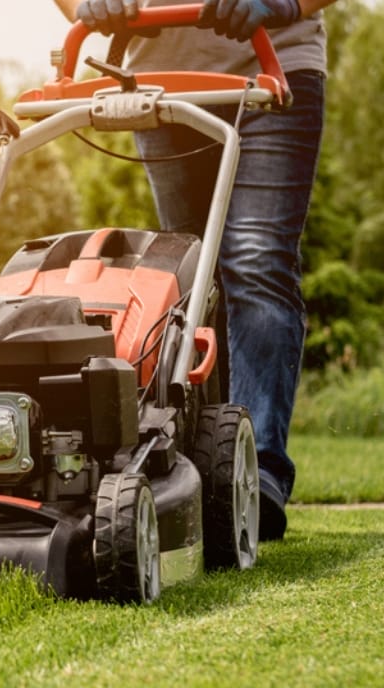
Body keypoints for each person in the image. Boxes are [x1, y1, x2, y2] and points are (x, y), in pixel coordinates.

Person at [53, 0, 338, 540]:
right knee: (190, 280)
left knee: (255, 262)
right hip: (162, 80)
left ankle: (259, 474)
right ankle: (198, 467)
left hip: (271, 64)